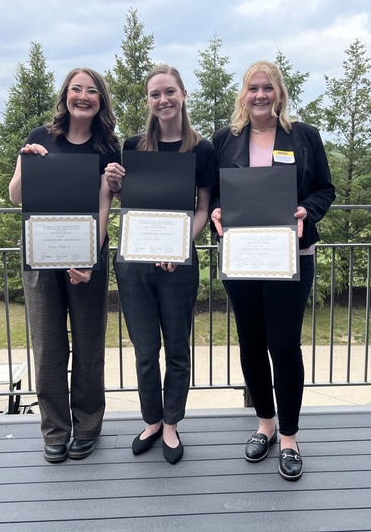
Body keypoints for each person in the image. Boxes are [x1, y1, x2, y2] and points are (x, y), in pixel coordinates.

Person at [209, 60, 335, 481]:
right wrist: (215, 212)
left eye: (267, 88)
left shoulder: (304, 136)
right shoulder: (225, 140)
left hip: (291, 255)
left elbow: (325, 189)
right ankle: (264, 424)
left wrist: (306, 209)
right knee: (251, 343)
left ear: (279, 93)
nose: (260, 95)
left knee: (283, 345)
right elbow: (212, 194)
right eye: (253, 89)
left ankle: (289, 436)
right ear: (243, 95)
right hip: (242, 256)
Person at [104, 64, 216, 464]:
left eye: (170, 92)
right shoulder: (133, 147)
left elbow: (204, 208)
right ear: (148, 102)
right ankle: (151, 420)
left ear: (183, 94)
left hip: (178, 263)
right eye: (155, 95)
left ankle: (171, 423)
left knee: (177, 349)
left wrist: (181, 244)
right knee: (145, 349)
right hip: (134, 263)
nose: (163, 100)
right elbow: (128, 204)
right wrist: (115, 185)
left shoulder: (201, 149)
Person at [9, 68, 120, 463]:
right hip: (41, 256)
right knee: (48, 346)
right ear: (66, 95)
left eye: (92, 91)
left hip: (87, 256)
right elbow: (15, 196)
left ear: (100, 99)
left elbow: (105, 204)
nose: (84, 96)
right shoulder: (40, 138)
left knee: (89, 345)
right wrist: (26, 162)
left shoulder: (109, 147)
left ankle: (87, 428)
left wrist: (90, 259)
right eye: (77, 89)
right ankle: (55, 430)